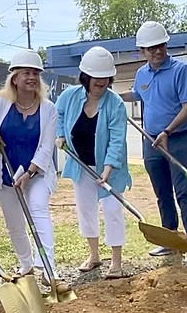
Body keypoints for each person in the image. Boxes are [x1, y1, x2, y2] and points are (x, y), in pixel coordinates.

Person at [0, 49, 69, 293]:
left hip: (37, 173)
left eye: (36, 73)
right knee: (15, 223)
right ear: (14, 78)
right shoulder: (0, 103)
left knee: (37, 207)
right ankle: (26, 265)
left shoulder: (49, 109)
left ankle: (48, 270)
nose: (32, 77)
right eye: (26, 73)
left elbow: (47, 148)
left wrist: (29, 173)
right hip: (5, 173)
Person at [120, 21, 187, 266]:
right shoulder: (142, 74)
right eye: (150, 48)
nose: (157, 51)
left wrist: (168, 131)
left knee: (184, 193)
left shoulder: (181, 71)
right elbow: (137, 94)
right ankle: (170, 241)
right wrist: (110, 94)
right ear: (142, 51)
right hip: (151, 141)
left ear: (166, 45)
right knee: (162, 194)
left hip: (177, 140)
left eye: (160, 46)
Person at [55, 47, 131, 279]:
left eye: (105, 77)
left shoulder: (115, 103)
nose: (101, 81)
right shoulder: (69, 96)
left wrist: (108, 168)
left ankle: (116, 261)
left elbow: (117, 138)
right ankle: (94, 255)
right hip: (81, 165)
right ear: (85, 76)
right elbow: (58, 115)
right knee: (86, 209)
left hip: (110, 169)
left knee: (112, 210)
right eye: (96, 77)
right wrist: (59, 134)